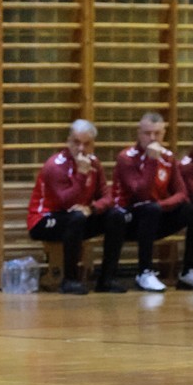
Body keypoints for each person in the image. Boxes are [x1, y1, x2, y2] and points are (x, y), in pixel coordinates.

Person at [113, 111, 193, 292]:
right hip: (130, 220)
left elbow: (182, 193)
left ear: (164, 134)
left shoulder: (168, 157)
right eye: (147, 133)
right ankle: (144, 272)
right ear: (139, 133)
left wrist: (162, 205)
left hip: (157, 214)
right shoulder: (126, 157)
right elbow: (140, 193)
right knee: (150, 208)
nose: (152, 138)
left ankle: (188, 271)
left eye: (157, 133)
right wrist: (152, 162)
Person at [27, 119, 127, 294]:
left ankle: (107, 279)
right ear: (68, 141)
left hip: (77, 217)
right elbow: (65, 202)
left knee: (115, 216)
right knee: (76, 218)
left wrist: (92, 208)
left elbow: (108, 197)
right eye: (76, 142)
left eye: (86, 144)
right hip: (45, 219)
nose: (81, 148)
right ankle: (69, 280)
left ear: (93, 145)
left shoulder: (94, 163)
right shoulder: (55, 166)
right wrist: (81, 174)